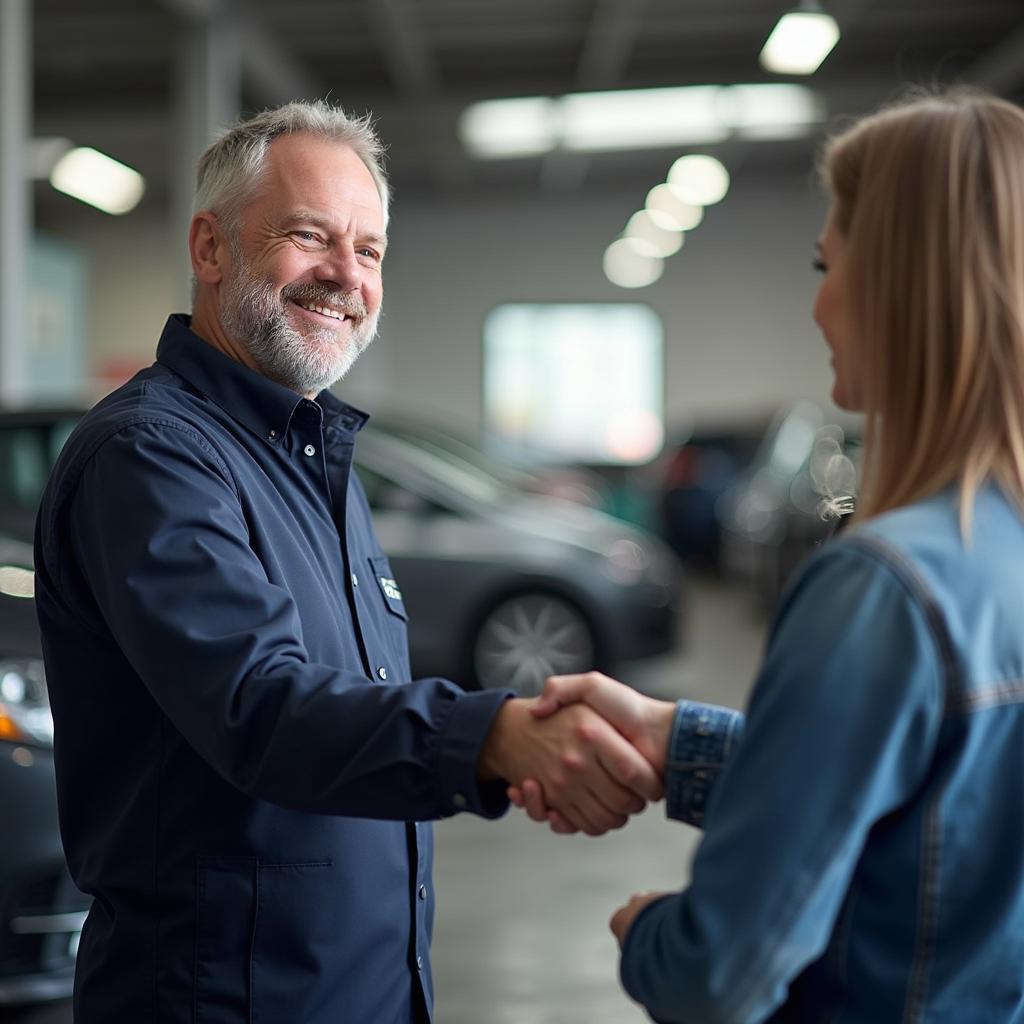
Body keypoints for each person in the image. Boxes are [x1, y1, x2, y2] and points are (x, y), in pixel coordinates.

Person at [32, 100, 662, 1024]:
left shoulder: (316, 457)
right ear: (211, 250)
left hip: (360, 991)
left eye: (369, 250)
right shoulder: (152, 457)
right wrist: (494, 738)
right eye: (308, 235)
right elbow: (259, 704)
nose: (345, 275)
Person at [513, 89, 1024, 1023]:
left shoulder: (884, 590)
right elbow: (933, 807)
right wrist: (679, 740)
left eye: (830, 264)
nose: (821, 303)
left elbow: (724, 971)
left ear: (901, 287)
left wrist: (648, 936)